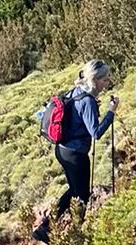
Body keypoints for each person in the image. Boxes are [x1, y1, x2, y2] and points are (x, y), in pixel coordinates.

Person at [41, 60, 115, 219]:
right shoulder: (87, 101)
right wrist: (111, 112)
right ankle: (77, 229)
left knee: (75, 190)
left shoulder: (75, 91)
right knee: (82, 195)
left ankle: (46, 228)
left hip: (62, 149)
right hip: (76, 154)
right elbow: (96, 133)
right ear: (95, 80)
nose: (107, 83)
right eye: (105, 80)